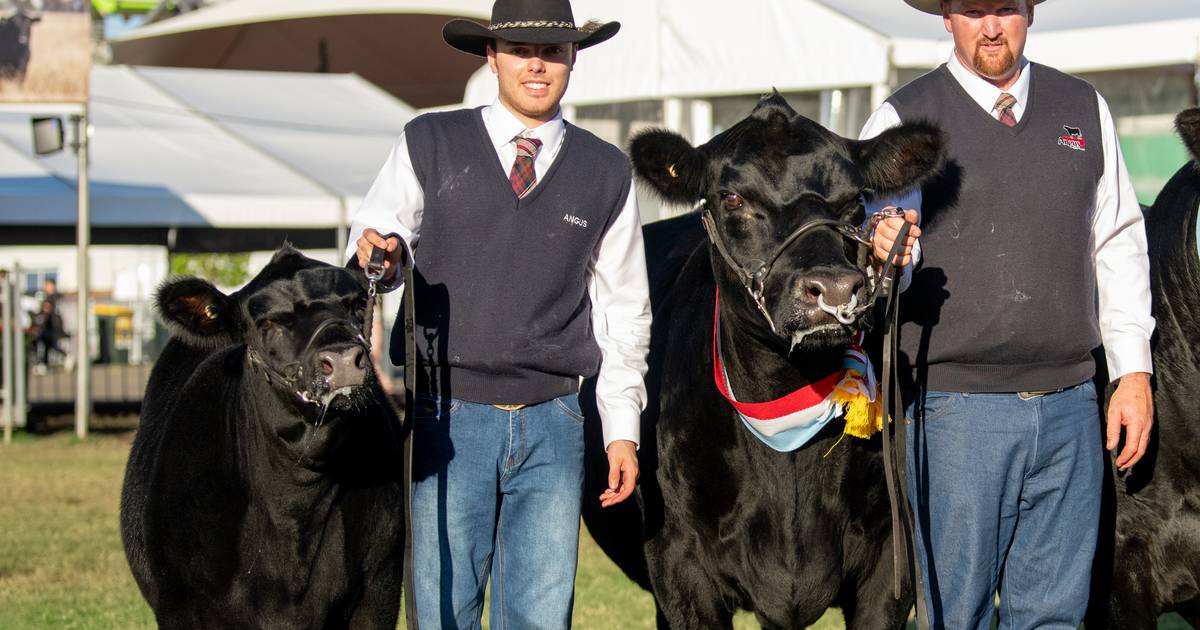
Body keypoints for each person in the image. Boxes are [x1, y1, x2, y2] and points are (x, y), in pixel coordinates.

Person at [346, 1, 650, 627]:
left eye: (554, 51)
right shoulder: (429, 141)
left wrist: (621, 426)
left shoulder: (606, 170)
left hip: (556, 421)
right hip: (446, 416)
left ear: (572, 60)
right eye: (519, 49)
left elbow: (625, 310)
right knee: (442, 614)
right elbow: (375, 237)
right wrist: (379, 253)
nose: (537, 64)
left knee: (539, 619)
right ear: (492, 57)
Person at [863, 1, 1154, 627]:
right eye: (972, 11)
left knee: (1054, 619)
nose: (990, 27)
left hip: (1073, 403)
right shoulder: (902, 117)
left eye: (1005, 9)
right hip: (955, 413)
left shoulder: (1084, 108)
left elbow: (1119, 243)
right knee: (954, 617)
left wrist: (1132, 373)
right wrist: (886, 247)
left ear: (1029, 12)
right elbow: (875, 253)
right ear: (946, 17)